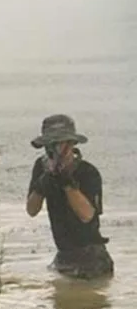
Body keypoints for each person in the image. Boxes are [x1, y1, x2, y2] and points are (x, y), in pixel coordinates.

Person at [26, 114, 114, 279]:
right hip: (64, 256)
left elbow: (87, 215)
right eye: (50, 145)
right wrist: (43, 181)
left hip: (92, 259)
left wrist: (66, 182)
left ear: (72, 144)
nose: (54, 149)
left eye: (60, 144)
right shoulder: (41, 167)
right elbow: (31, 210)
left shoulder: (88, 172)